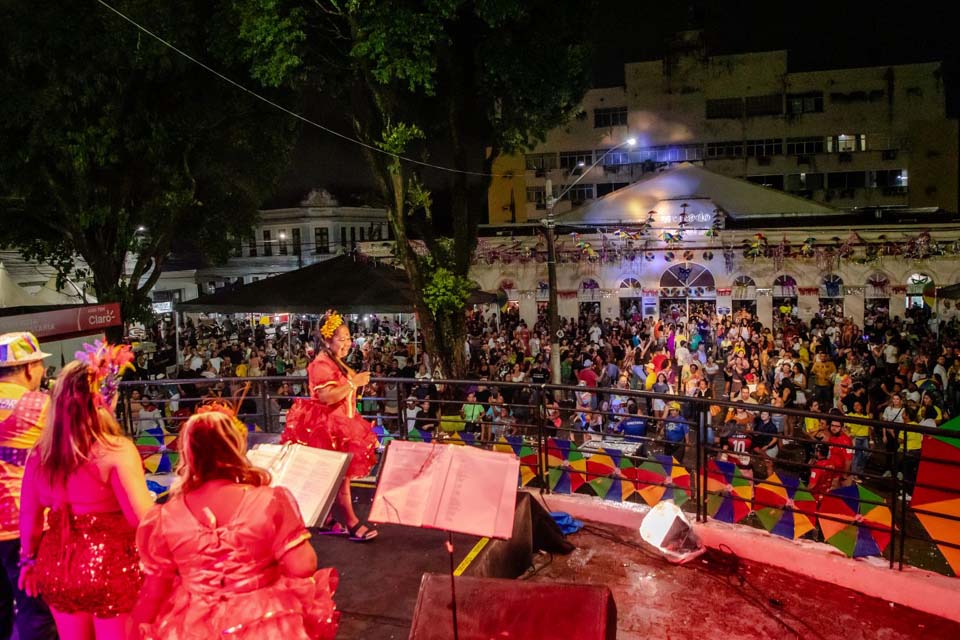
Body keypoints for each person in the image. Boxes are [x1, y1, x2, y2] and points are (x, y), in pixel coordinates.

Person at [131, 406, 338, 639]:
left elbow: (155, 589)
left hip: (194, 626)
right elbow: (303, 566)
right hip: (263, 622)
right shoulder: (269, 501)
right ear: (236, 447)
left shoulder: (164, 518)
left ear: (188, 453)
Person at [19, 343, 153, 640]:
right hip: (112, 568)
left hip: (58, 566)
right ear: (104, 398)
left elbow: (29, 518)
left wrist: (28, 562)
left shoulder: (40, 455)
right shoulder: (116, 451)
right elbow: (141, 519)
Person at [281, 311, 378, 542]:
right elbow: (326, 397)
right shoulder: (320, 365)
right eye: (341, 339)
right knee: (341, 477)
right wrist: (355, 382)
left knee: (333, 477)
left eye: (348, 338)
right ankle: (352, 523)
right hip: (327, 427)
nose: (347, 343)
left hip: (343, 422)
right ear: (327, 340)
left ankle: (326, 520)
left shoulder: (335, 361)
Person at [0, 333, 58, 640]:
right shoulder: (42, 406)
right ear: (27, 368)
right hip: (24, 527)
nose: (43, 372)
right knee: (36, 612)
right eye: (40, 365)